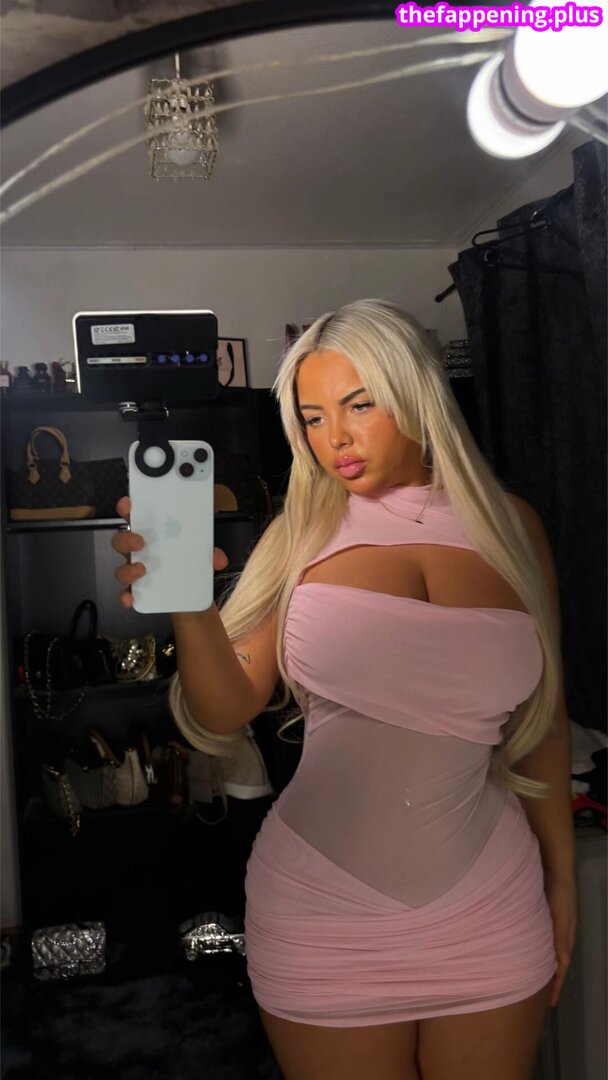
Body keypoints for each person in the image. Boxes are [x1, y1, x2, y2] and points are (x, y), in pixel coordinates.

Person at [112, 299, 576, 1080]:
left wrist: (562, 882)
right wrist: (189, 605)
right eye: (314, 417)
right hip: (324, 916)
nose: (336, 439)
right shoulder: (301, 534)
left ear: (416, 394)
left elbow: (546, 723)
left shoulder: (512, 525)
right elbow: (227, 708)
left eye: (360, 406)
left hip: (493, 906)